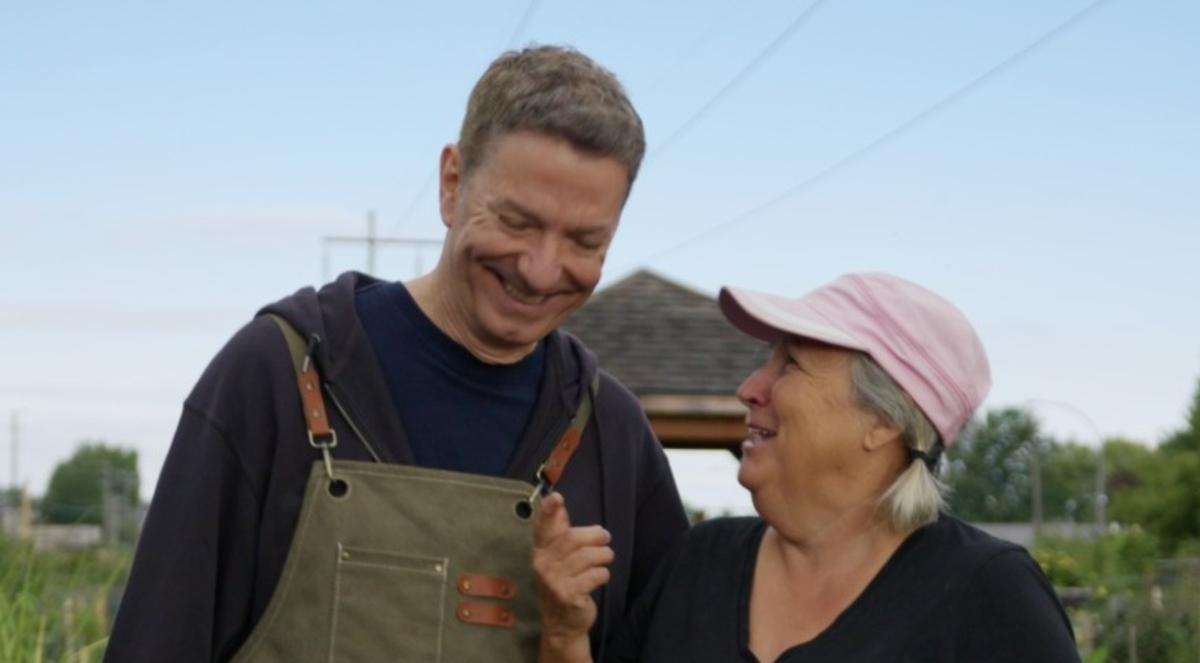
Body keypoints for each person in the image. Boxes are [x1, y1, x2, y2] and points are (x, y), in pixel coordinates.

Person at [106, 45, 689, 663]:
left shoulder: (612, 437)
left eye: (584, 240)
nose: (542, 271)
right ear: (451, 183)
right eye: (517, 222)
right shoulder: (276, 376)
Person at [534, 273, 1081, 662]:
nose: (750, 389)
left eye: (790, 364)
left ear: (883, 421)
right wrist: (563, 635)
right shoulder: (700, 562)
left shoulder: (988, 593)